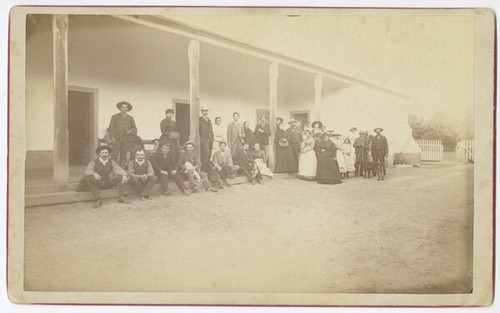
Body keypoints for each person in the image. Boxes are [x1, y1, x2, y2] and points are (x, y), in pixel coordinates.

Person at [108, 101, 137, 167]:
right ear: (120, 108)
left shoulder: (130, 118)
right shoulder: (114, 117)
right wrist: (112, 137)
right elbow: (111, 128)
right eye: (123, 107)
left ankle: (122, 170)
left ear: (128, 109)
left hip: (126, 139)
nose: (124, 109)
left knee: (123, 155)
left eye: (126, 107)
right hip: (117, 138)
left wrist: (130, 131)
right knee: (115, 155)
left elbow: (135, 128)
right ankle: (113, 169)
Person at [199, 106, 214, 173]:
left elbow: (211, 130)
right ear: (202, 112)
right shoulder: (199, 120)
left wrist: (212, 138)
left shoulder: (209, 120)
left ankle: (207, 168)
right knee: (206, 154)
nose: (205, 112)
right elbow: (198, 130)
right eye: (204, 111)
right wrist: (201, 139)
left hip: (210, 139)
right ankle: (203, 169)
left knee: (209, 154)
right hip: (204, 140)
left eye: (206, 111)